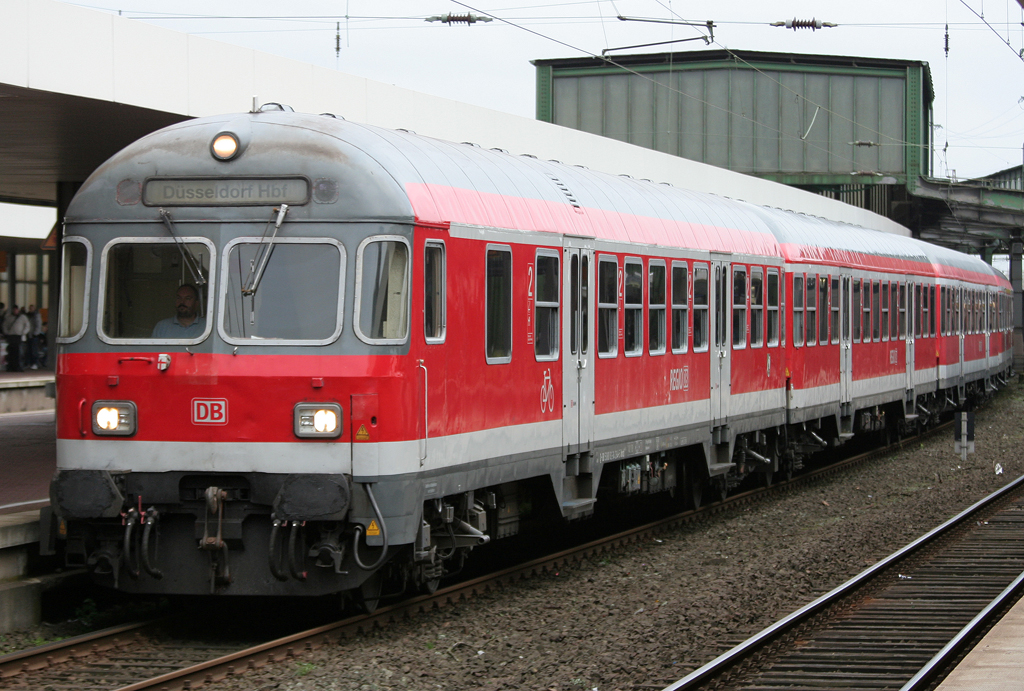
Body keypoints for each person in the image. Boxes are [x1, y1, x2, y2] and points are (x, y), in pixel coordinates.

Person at [2, 305, 31, 372]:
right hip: (11, 336)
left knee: (19, 353)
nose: (15, 311)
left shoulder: (23, 317)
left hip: (19, 336)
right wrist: (7, 332)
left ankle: (19, 366)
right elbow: (5, 325)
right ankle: (11, 366)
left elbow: (27, 326)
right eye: (14, 310)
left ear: (18, 310)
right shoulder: (9, 317)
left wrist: (23, 333)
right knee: (11, 352)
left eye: (16, 310)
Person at [26, 304, 43, 369]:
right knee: (29, 350)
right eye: (30, 308)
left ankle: (35, 363)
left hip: (34, 335)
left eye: (31, 308)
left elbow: (38, 325)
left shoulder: (36, 315)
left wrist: (35, 333)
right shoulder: (28, 315)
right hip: (29, 335)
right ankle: (30, 363)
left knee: (34, 350)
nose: (30, 309)